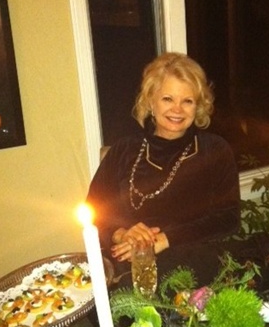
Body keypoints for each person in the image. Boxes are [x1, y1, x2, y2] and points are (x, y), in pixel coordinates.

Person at [86, 52, 241, 284]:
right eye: (168, 99)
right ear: (151, 101)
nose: (177, 110)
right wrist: (121, 234)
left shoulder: (215, 150)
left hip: (195, 266)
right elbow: (94, 210)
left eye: (187, 101)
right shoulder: (123, 151)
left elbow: (228, 219)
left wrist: (165, 239)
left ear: (198, 106)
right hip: (128, 266)